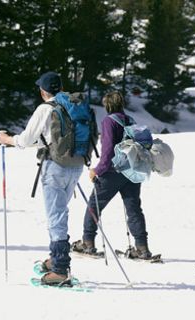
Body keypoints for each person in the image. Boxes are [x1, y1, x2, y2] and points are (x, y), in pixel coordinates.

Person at [0, 71, 84, 285]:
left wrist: (7, 139)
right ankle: (56, 257)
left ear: (43, 91)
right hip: (76, 164)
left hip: (54, 166)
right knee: (61, 211)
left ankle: (60, 268)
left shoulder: (45, 109)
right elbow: (50, 139)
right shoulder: (71, 106)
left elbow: (25, 140)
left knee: (56, 215)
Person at [71, 91, 153, 259]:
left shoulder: (109, 121)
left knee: (94, 205)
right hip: (132, 171)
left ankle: (87, 242)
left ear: (107, 105)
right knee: (134, 209)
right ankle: (142, 248)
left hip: (113, 172)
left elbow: (107, 152)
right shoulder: (131, 120)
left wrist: (97, 170)